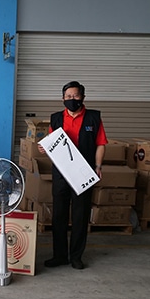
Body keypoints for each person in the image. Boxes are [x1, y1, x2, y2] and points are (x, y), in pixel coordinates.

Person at [41, 81, 107, 270]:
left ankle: (76, 256)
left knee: (80, 214)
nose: (72, 99)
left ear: (83, 97)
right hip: (61, 174)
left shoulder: (93, 118)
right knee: (59, 216)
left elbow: (101, 143)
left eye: (75, 96)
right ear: (63, 99)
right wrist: (44, 147)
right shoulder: (56, 118)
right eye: (68, 96)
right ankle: (59, 255)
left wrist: (98, 166)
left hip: (83, 172)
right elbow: (52, 143)